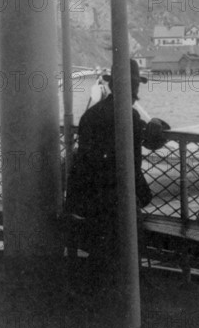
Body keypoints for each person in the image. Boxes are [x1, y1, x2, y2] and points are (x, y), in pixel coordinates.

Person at [66, 58, 169, 285]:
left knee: (102, 252)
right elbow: (140, 152)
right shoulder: (128, 116)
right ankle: (127, 292)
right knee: (128, 246)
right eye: (135, 85)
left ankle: (101, 291)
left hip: (90, 197)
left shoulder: (91, 115)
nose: (135, 90)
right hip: (117, 197)